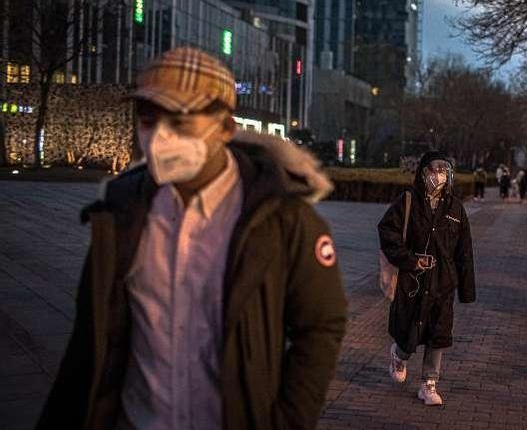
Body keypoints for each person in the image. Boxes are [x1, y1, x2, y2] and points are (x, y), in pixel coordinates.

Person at [36, 47, 348, 430]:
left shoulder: (283, 218)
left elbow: (320, 325)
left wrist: (288, 420)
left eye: (180, 122)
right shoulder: (120, 213)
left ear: (225, 129)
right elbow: (90, 341)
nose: (159, 139)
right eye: (148, 121)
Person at [378, 152, 476, 406]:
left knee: (438, 332)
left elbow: (464, 248)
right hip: (413, 281)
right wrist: (409, 259)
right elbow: (387, 230)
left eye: (444, 170)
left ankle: (429, 383)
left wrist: (466, 288)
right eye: (434, 169)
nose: (439, 175)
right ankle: (399, 355)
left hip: (443, 282)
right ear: (423, 173)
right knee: (408, 330)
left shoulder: (455, 207)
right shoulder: (408, 201)